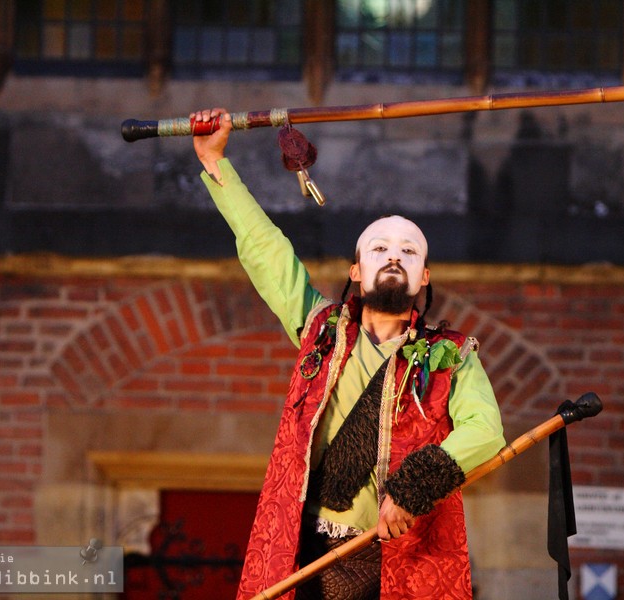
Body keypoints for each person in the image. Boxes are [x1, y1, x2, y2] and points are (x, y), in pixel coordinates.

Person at [192, 108, 505, 600]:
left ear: (425, 277)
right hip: (308, 554)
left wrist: (410, 490)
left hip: (396, 558)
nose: (395, 256)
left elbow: (484, 433)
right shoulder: (320, 330)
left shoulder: (453, 357)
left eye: (409, 252)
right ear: (356, 271)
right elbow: (265, 250)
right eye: (379, 249)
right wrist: (216, 162)